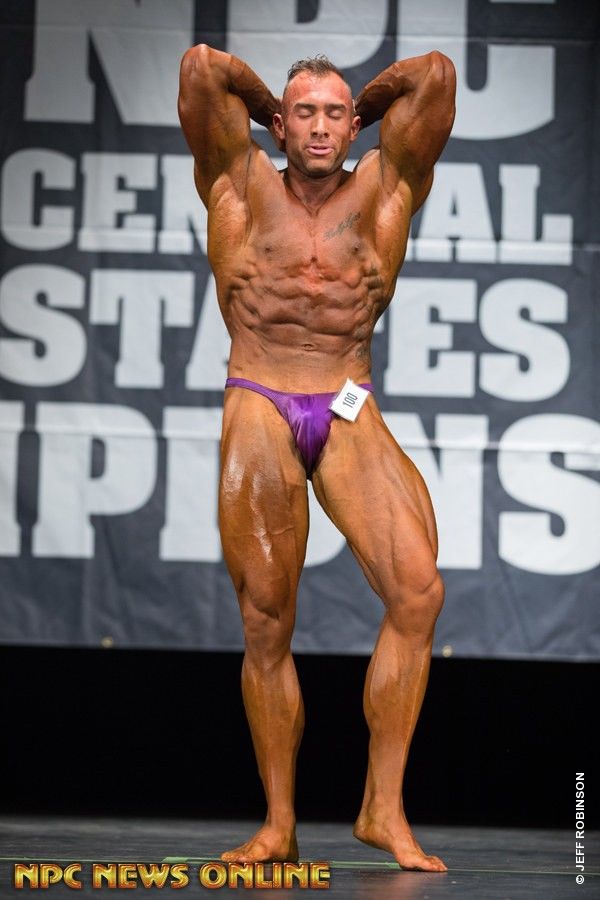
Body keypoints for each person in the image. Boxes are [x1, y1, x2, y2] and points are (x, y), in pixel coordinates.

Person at [178, 42, 456, 872]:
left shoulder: (387, 185)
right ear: (281, 124)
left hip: (344, 399)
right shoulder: (238, 180)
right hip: (260, 397)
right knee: (267, 620)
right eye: (305, 113)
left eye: (336, 113)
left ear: (355, 123)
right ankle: (279, 823)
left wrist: (369, 98)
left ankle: (382, 807)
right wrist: (267, 98)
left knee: (418, 591)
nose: (322, 126)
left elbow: (436, 75)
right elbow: (202, 67)